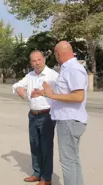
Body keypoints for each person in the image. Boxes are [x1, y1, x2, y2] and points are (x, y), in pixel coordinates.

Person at [39, 41, 88, 185]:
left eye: (55, 54)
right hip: (68, 120)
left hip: (69, 121)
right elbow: (65, 92)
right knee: (73, 160)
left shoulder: (73, 69)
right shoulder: (67, 69)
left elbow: (78, 97)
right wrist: (46, 93)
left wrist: (52, 95)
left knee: (68, 162)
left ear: (58, 53)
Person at [12, 50, 59, 185]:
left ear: (44, 59)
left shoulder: (53, 76)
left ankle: (46, 178)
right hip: (33, 115)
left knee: (46, 147)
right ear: (31, 63)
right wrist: (20, 90)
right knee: (35, 145)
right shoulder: (30, 76)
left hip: (47, 116)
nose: (37, 63)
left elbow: (59, 93)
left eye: (39, 59)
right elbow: (16, 85)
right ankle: (37, 173)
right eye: (34, 61)